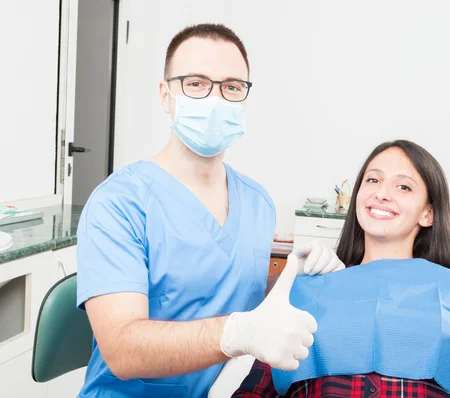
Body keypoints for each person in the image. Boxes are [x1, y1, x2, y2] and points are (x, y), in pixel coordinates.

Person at [75, 24, 343, 398]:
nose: (215, 99)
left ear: (245, 100)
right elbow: (121, 349)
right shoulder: (119, 204)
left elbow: (233, 291)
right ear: (165, 94)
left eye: (231, 87)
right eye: (196, 83)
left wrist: (295, 274)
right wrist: (236, 334)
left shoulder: (257, 201)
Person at [233, 140, 450, 397]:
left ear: (428, 213)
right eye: (372, 180)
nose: (382, 193)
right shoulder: (307, 292)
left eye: (403, 186)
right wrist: (288, 286)